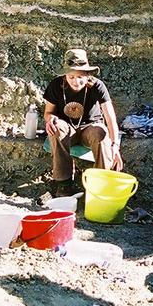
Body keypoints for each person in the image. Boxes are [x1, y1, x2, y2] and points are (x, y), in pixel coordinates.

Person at [42, 49, 122, 197]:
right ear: (65, 75)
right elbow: (48, 112)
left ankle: (100, 186)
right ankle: (64, 185)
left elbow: (110, 118)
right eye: (71, 76)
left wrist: (115, 145)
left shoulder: (98, 86)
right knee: (56, 128)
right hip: (66, 128)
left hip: (89, 128)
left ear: (87, 75)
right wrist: (50, 119)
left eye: (80, 77)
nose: (76, 81)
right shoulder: (56, 85)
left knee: (101, 133)